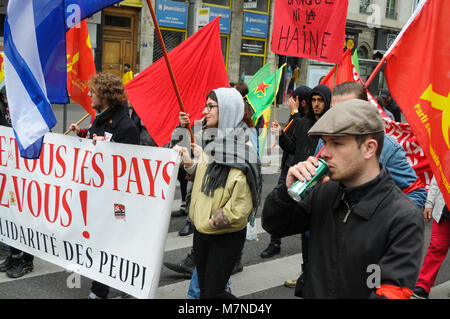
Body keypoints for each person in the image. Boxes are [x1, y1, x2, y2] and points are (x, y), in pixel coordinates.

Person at [262, 99, 424, 298]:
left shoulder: (403, 217)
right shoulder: (323, 191)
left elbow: (391, 291)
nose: (324, 153)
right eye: (325, 142)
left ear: (369, 148)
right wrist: (286, 192)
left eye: (337, 144)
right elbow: (275, 226)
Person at [173, 87, 261, 298]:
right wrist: (187, 161)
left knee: (214, 293)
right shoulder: (213, 142)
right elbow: (203, 177)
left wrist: (214, 221)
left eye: (211, 106)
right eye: (206, 105)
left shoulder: (243, 148)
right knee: (206, 291)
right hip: (202, 232)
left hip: (224, 235)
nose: (204, 111)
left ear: (228, 110)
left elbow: (241, 205)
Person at [69, 73, 140, 299]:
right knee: (103, 242)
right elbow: (94, 138)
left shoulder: (126, 126)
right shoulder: (99, 118)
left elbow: (129, 169)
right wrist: (82, 134)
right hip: (99, 196)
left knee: (111, 243)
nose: (88, 93)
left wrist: (108, 148)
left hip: (118, 203)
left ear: (105, 95)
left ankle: (100, 291)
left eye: (92, 90)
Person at [261, 85, 330, 260]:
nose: (316, 104)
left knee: (312, 229)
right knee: (283, 209)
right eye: (314, 100)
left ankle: (308, 270)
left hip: (320, 182)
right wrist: (280, 135)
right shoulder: (301, 122)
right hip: (298, 177)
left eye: (320, 100)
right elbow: (291, 147)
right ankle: (275, 243)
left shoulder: (331, 126)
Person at [0, 87, 34, 279]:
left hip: (27, 175)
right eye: (5, 97)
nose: (6, 100)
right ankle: (14, 254)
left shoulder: (30, 115)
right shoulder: (7, 113)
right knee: (11, 214)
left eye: (8, 96)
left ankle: (27, 260)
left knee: (25, 218)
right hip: (11, 173)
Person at [412, 176, 450, 299]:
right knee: (436, 247)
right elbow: (437, 178)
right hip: (444, 210)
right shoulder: (446, 156)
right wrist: (429, 203)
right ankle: (423, 286)